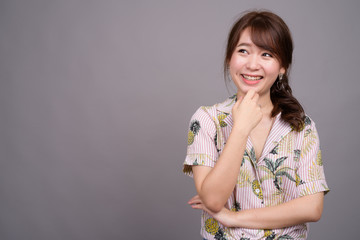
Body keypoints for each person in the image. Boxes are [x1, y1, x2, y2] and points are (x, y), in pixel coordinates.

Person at [183, 10, 329, 240]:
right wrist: (240, 128)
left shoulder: (302, 126)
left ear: (283, 66)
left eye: (267, 54)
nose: (252, 64)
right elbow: (213, 200)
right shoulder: (206, 120)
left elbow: (313, 207)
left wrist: (233, 217)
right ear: (229, 57)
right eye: (243, 51)